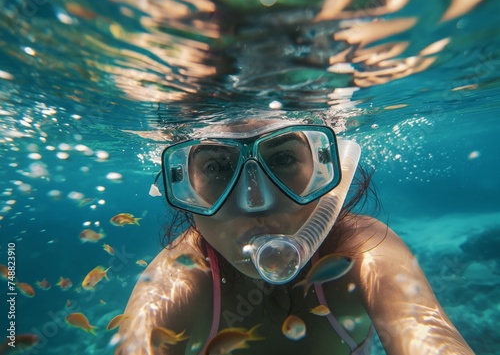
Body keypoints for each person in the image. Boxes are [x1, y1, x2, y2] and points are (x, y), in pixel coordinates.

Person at [116, 118, 474, 355]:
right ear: (183, 187)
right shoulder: (176, 283)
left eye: (284, 158)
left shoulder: (363, 253)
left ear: (325, 171)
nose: (255, 201)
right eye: (216, 167)